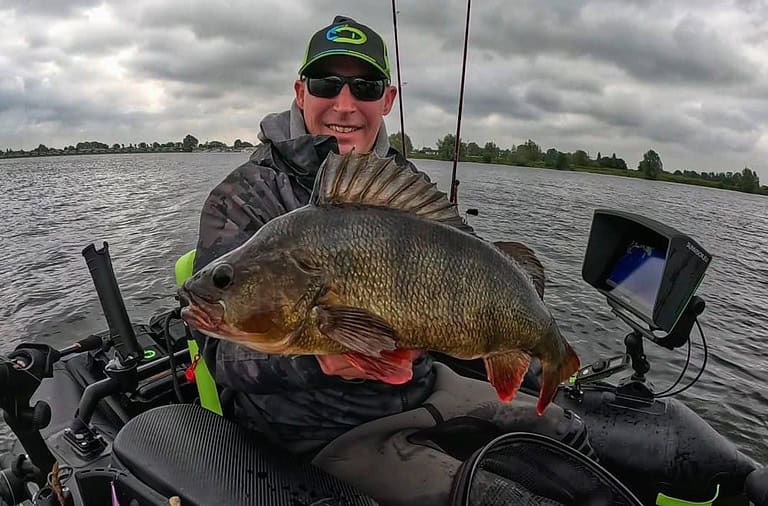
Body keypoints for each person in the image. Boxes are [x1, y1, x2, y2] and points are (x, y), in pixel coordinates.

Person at [192, 15, 592, 505]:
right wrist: (323, 361)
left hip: (424, 390)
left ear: (387, 99)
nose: (345, 103)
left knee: (568, 438)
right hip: (316, 431)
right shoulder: (242, 197)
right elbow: (220, 358)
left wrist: (521, 345)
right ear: (300, 92)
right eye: (325, 83)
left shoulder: (401, 183)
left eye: (364, 86)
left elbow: (470, 278)